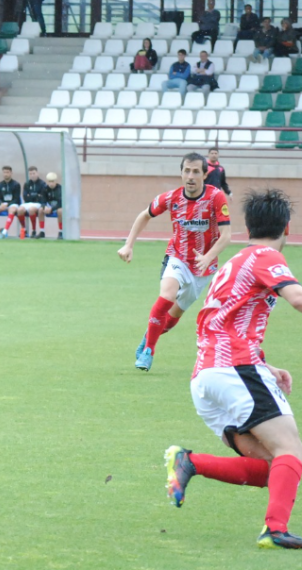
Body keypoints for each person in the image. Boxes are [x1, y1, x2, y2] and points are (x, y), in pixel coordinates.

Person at [163, 189, 302, 549]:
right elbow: (297, 298)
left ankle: (189, 462)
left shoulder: (235, 261)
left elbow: (218, 321)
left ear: (247, 225)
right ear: (287, 226)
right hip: (233, 370)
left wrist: (264, 364)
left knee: (277, 467)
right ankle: (274, 529)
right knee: (290, 448)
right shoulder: (266, 255)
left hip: (207, 377)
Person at [117, 152, 231, 372]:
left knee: (171, 318)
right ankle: (149, 350)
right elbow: (145, 215)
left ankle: (149, 334)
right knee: (167, 295)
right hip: (177, 257)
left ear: (205, 174)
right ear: (181, 173)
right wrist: (128, 244)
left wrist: (207, 257)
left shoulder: (216, 197)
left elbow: (226, 235)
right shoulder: (171, 198)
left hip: (203, 268)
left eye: (196, 171)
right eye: (186, 171)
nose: (190, 176)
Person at [0, 166, 22, 238]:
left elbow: (16, 199)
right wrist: (1, 204)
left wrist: (8, 205)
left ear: (11, 173)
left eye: (7, 172)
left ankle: (4, 231)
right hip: (2, 203)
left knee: (12, 210)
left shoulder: (16, 184)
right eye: (4, 172)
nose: (6, 174)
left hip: (13, 203)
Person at [18, 165, 46, 239]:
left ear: (37, 173)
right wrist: (36, 195)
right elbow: (25, 197)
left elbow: (42, 197)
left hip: (38, 203)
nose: (32, 175)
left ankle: (33, 230)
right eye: (30, 174)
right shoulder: (27, 184)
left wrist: (31, 196)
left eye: (34, 173)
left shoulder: (42, 184)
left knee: (31, 209)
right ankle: (24, 229)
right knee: (20, 210)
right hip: (28, 203)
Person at [42, 172, 63, 239]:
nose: (51, 183)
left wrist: (52, 209)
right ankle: (41, 231)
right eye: (49, 181)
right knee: (40, 210)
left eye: (52, 181)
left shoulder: (60, 189)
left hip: (57, 207)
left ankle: (61, 231)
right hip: (48, 207)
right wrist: (44, 206)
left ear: (56, 181)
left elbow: (61, 202)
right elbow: (42, 200)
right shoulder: (44, 188)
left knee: (60, 211)